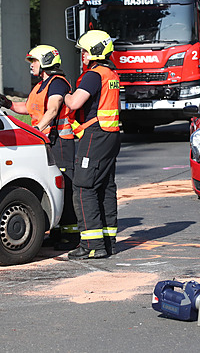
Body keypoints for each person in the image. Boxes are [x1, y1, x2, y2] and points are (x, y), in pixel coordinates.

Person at [0, 45, 79, 250]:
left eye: (34, 61)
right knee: (52, 185)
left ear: (45, 62)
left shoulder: (57, 83)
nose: (31, 66)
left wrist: (34, 131)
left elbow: (52, 110)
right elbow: (28, 107)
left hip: (60, 141)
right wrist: (7, 103)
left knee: (65, 187)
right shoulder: (41, 84)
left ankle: (71, 235)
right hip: (47, 140)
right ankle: (59, 231)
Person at [64, 30, 121, 260]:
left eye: (85, 52)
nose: (83, 56)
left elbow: (76, 101)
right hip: (111, 135)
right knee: (105, 186)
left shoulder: (93, 75)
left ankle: (92, 245)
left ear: (95, 52)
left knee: (82, 187)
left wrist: (65, 96)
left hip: (96, 136)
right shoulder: (111, 73)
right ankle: (108, 242)